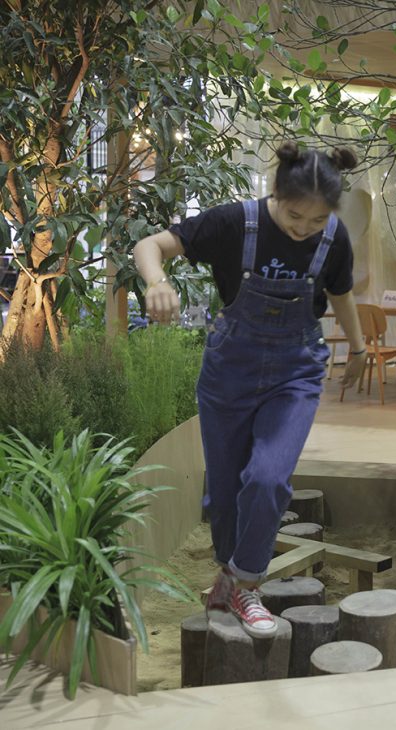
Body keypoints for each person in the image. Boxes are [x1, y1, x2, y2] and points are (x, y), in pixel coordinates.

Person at [133, 142, 368, 637]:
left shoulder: (334, 239)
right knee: (224, 490)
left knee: (267, 479)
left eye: (316, 220)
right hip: (228, 375)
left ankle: (245, 584)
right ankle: (229, 574)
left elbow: (342, 294)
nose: (303, 228)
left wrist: (360, 349)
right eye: (294, 214)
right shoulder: (235, 222)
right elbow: (150, 246)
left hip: (296, 372)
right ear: (276, 193)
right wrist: (156, 281)